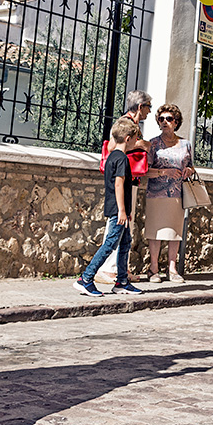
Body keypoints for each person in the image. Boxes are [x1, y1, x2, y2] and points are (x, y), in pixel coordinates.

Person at [75, 117, 142, 297]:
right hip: (118, 210)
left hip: (121, 209)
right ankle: (86, 279)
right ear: (128, 138)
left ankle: (121, 282)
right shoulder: (121, 159)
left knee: (125, 243)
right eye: (136, 138)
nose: (137, 141)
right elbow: (118, 184)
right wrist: (122, 210)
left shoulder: (113, 156)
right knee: (111, 243)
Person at [147, 104, 193, 284]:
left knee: (175, 232)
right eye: (161, 119)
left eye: (169, 119)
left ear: (176, 122)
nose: (165, 122)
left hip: (177, 194)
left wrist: (189, 170)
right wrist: (164, 172)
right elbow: (145, 170)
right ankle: (153, 269)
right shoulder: (153, 144)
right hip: (156, 194)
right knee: (156, 231)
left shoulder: (185, 144)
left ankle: (172, 269)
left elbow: (190, 165)